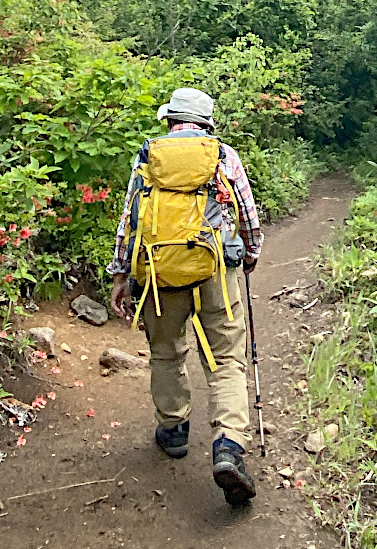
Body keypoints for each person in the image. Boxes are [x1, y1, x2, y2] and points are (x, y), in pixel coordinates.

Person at [108, 87, 263, 506]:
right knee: (227, 358)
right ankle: (228, 446)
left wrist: (121, 274)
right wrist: (249, 254)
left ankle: (174, 431)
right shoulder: (223, 156)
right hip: (216, 269)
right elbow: (247, 215)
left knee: (166, 352)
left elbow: (130, 220)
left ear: (170, 120)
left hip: (161, 273)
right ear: (206, 122)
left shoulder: (148, 157)